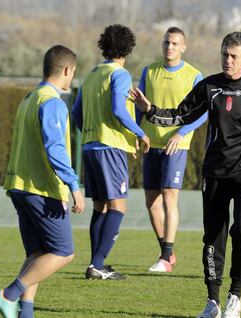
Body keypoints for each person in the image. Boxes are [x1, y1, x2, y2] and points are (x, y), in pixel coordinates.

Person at [130, 31, 241, 318]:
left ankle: (235, 296)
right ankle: (212, 301)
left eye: (233, 56)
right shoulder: (209, 86)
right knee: (213, 236)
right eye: (224, 54)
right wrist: (149, 110)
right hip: (214, 172)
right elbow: (180, 115)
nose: (227, 60)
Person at [0, 45, 85, 318]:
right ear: (67, 70)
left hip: (19, 187)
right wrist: (74, 186)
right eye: (73, 73)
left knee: (37, 254)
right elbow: (55, 149)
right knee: (63, 252)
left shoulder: (29, 98)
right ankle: (7, 295)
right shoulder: (52, 101)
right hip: (41, 189)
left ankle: (25, 313)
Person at [72, 24, 150, 280]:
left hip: (90, 147)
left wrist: (90, 133)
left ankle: (97, 265)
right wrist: (140, 133)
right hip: (110, 147)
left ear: (104, 46)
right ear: (128, 48)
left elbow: (76, 114)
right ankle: (97, 265)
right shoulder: (120, 74)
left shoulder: (91, 75)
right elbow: (119, 109)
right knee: (118, 206)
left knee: (101, 207)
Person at [137, 26, 207, 273]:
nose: (170, 47)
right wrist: (138, 132)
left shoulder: (194, 75)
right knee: (151, 201)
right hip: (151, 143)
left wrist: (181, 133)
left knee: (169, 194)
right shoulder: (149, 71)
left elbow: (203, 112)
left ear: (183, 47)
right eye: (167, 42)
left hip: (176, 144)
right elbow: (140, 106)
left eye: (175, 43)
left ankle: (165, 258)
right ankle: (167, 251)